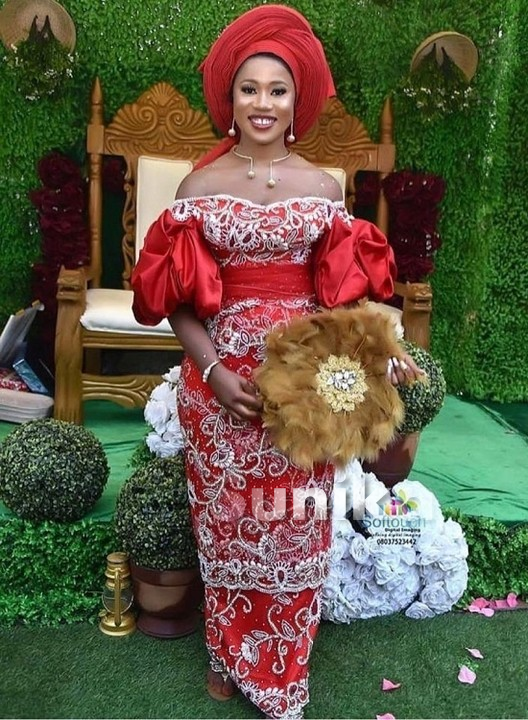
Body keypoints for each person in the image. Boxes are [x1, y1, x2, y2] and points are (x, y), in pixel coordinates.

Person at [131, 5, 421, 718]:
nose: (263, 102)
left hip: (307, 386)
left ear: (298, 105)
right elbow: (175, 299)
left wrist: (383, 356)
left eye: (277, 90)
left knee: (295, 524)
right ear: (230, 101)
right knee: (228, 524)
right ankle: (227, 658)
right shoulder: (198, 190)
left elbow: (343, 296)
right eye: (250, 89)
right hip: (222, 383)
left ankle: (282, 668)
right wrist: (212, 372)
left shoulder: (324, 189)